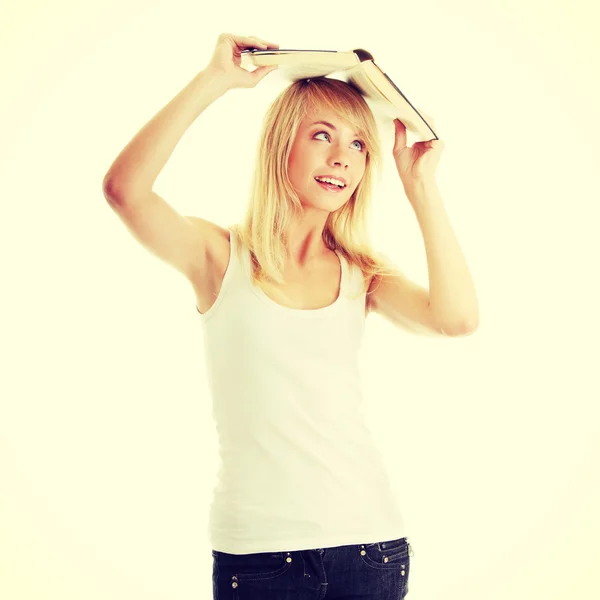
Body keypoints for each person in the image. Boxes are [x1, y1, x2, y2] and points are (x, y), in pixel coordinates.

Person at [103, 31, 476, 600]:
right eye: (321, 135)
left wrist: (421, 187)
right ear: (282, 146)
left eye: (357, 144)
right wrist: (215, 80)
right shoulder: (219, 257)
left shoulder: (363, 273)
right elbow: (125, 190)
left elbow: (456, 320)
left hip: (371, 548)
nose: (340, 158)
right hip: (257, 556)